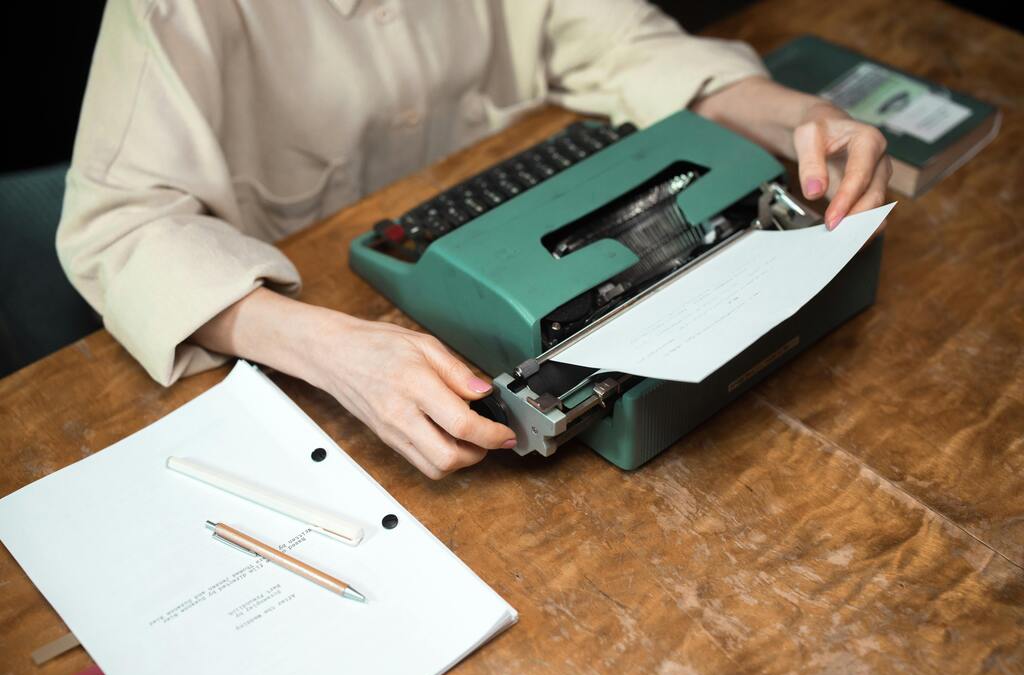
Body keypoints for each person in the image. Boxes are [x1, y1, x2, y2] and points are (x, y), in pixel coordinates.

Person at [57, 0, 891, 480]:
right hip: (328, 320)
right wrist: (330, 348)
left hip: (534, 211)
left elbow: (618, 41)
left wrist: (798, 116)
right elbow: (119, 223)